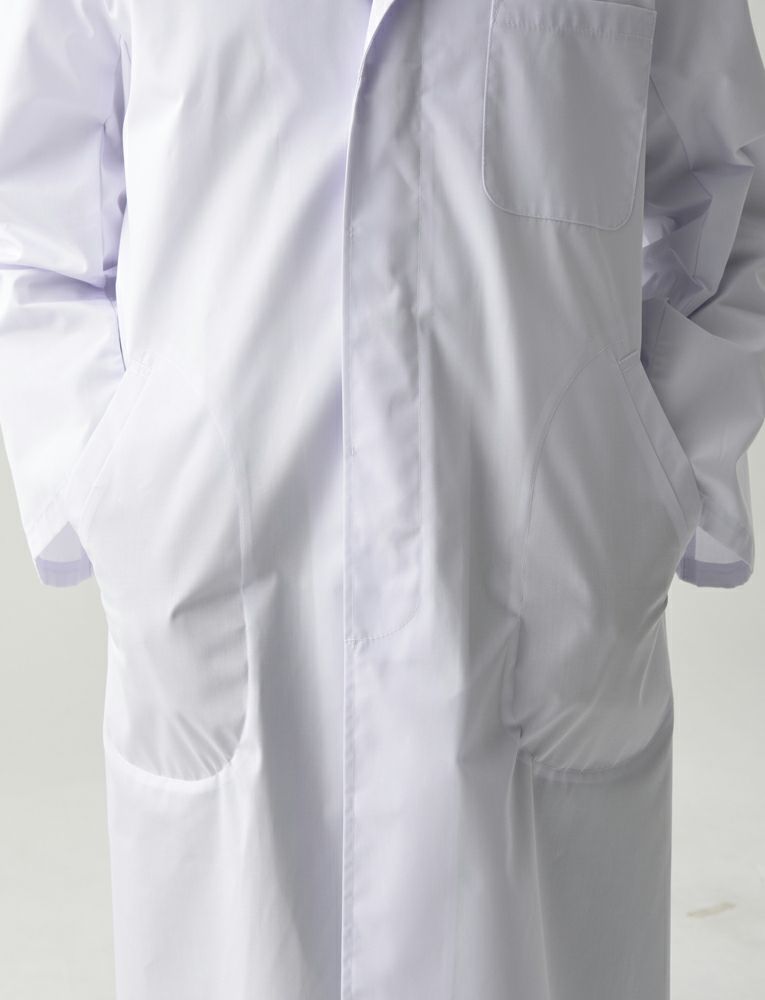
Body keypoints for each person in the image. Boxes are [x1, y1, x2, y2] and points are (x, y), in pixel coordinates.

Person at [1, 1, 765, 997]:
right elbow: (30, 208)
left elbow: (728, 191)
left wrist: (650, 478)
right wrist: (120, 483)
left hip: (545, 601)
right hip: (229, 591)